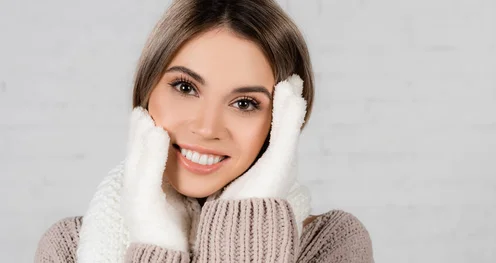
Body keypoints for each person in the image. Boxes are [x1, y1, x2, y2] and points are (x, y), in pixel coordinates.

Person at [34, 0, 374, 262]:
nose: (206, 127)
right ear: (146, 91)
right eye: (184, 87)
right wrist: (156, 239)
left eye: (244, 103)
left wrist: (249, 217)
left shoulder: (331, 245)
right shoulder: (69, 248)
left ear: (284, 120)